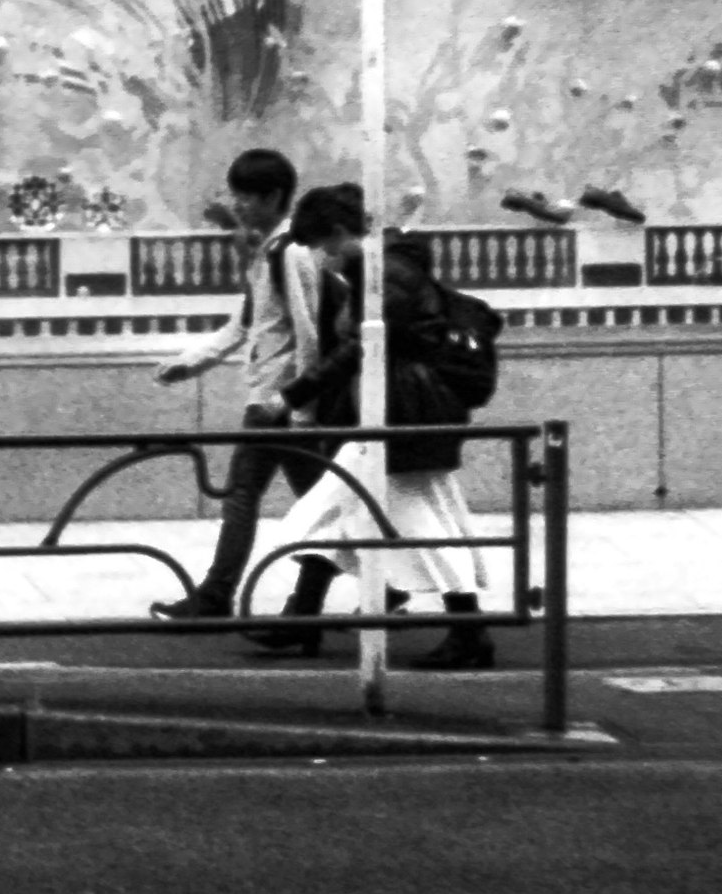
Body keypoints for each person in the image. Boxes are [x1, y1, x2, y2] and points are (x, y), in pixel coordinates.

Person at [248, 219, 497, 665]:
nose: (319, 260)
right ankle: (301, 620)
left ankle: (469, 630)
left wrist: (291, 396)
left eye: (320, 247)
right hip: (388, 414)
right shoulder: (383, 270)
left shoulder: (383, 275)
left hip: (399, 415)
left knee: (419, 524)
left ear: (337, 235)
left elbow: (362, 348)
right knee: (328, 512)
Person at [149, 146, 333, 623]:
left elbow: (307, 329)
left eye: (247, 196)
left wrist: (298, 404)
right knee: (326, 498)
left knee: (243, 494)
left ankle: (215, 596)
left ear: (274, 197)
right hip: (273, 397)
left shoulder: (291, 251)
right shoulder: (268, 251)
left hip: (277, 400)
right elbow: (245, 323)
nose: (239, 205)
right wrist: (192, 363)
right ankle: (388, 576)